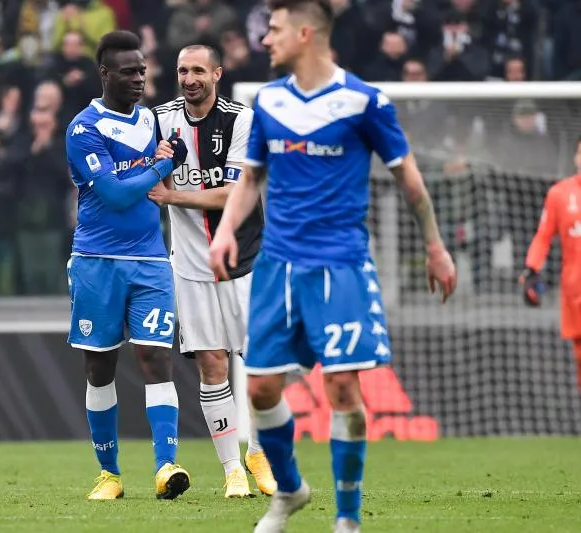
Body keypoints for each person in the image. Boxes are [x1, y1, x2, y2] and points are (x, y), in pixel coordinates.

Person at [207, 1, 457, 532]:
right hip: (277, 265)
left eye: (275, 30)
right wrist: (226, 230)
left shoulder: (363, 101)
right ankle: (290, 490)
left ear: (305, 33)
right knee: (260, 390)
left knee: (342, 388)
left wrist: (435, 247)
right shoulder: (268, 101)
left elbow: (409, 181)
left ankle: (347, 520)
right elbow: (250, 178)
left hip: (340, 265)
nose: (265, 40)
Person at [64, 30, 191, 501]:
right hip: (97, 261)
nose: (139, 78)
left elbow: (155, 184)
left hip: (150, 258)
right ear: (105, 73)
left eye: (142, 70)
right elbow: (116, 195)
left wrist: (163, 165)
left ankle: (166, 466)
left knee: (157, 357)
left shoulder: (153, 120)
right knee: (100, 367)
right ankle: (110, 474)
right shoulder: (84, 129)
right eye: (128, 71)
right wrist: (160, 166)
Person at [150, 44, 276, 498]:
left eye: (199, 71)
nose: (189, 79)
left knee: (262, 363)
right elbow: (145, 175)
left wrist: (172, 196)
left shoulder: (241, 120)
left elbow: (233, 195)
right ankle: (232, 470)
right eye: (183, 70)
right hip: (189, 263)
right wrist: (155, 164)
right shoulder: (159, 120)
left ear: (217, 74)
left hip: (244, 260)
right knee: (211, 362)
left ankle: (258, 452)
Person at [521, 136, 581, 389]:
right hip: (575, 290)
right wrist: (531, 269)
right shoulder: (560, 194)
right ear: (576, 157)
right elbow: (543, 236)